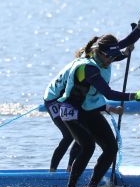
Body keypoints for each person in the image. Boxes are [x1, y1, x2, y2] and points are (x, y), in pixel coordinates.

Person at [58, 12, 140, 187]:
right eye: (108, 57)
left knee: (111, 148)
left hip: (89, 110)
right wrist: (135, 96)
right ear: (99, 53)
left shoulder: (105, 54)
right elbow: (108, 93)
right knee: (88, 146)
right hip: (72, 111)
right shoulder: (88, 67)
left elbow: (129, 39)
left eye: (112, 57)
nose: (111, 61)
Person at [44, 37, 132, 173]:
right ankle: (52, 171)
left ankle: (70, 168)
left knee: (83, 134)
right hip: (54, 98)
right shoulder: (87, 65)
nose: (109, 61)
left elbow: (117, 50)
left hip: (75, 100)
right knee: (69, 135)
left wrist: (139, 28)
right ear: (97, 51)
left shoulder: (98, 57)